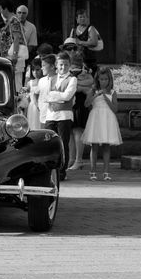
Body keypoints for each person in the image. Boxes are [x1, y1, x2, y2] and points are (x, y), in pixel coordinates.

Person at [82, 67, 122, 181]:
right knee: (94, 146)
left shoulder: (113, 93)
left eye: (106, 79)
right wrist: (96, 95)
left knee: (106, 146)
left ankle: (106, 172)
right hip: (96, 119)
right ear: (97, 79)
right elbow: (86, 104)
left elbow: (115, 109)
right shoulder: (93, 90)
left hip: (108, 119)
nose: (103, 81)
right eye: (101, 79)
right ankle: (93, 171)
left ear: (109, 80)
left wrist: (105, 96)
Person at [61, 39, 93, 172]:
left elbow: (90, 84)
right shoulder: (80, 73)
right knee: (72, 133)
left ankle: (78, 160)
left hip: (79, 104)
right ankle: (72, 159)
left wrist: (79, 87)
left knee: (77, 132)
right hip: (73, 103)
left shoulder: (79, 73)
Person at [44, 52, 77, 181]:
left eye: (66, 65)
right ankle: (48, 171)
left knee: (63, 144)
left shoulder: (72, 79)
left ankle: (62, 172)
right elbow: (45, 96)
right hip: (51, 115)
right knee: (48, 143)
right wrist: (59, 96)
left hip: (64, 116)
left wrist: (54, 95)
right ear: (56, 65)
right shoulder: (51, 78)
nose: (63, 67)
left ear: (70, 65)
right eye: (61, 65)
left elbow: (68, 96)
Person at [0, 0, 27, 90]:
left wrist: (14, 55)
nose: (1, 11)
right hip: (8, 57)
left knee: (16, 84)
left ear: (5, 9)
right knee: (9, 82)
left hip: (14, 58)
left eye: (1, 9)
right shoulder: (11, 21)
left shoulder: (14, 20)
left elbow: (17, 38)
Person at [70, 9, 99, 75]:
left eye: (84, 17)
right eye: (80, 17)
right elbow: (70, 43)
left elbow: (94, 42)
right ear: (77, 19)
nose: (83, 19)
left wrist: (80, 42)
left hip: (89, 60)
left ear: (87, 18)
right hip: (76, 61)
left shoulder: (91, 28)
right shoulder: (73, 30)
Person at [36, 54, 57, 129]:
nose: (42, 68)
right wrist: (38, 105)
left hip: (56, 117)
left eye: (44, 65)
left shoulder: (60, 79)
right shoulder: (41, 80)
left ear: (52, 66)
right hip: (43, 116)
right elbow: (37, 94)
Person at [26, 57, 43, 130]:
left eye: (37, 69)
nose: (35, 72)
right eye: (33, 70)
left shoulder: (45, 81)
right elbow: (28, 99)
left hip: (41, 107)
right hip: (32, 108)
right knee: (32, 124)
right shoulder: (30, 83)